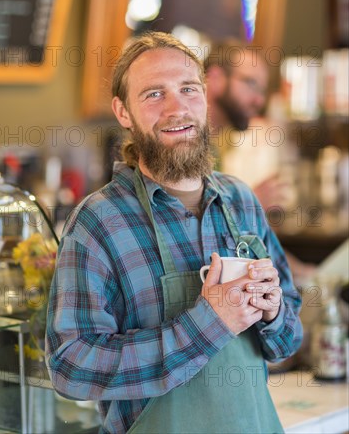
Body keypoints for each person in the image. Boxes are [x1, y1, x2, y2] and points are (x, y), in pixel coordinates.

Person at [45, 32, 303, 434]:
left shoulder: (241, 201)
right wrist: (207, 324)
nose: (176, 108)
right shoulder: (98, 222)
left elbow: (288, 338)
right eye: (153, 94)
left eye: (188, 89)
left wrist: (272, 313)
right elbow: (71, 367)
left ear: (204, 95)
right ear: (123, 111)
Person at [205, 40, 317, 280]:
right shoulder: (190, 146)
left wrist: (304, 274)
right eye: (250, 84)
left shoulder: (220, 146)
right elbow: (196, 235)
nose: (258, 101)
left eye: (261, 90)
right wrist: (249, 205)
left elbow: (238, 239)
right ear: (215, 78)